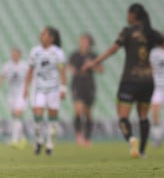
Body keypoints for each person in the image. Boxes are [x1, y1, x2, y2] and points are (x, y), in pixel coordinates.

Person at [82, 3, 164, 158]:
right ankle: (142, 151)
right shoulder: (152, 33)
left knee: (123, 117)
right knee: (143, 116)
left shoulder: (127, 32)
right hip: (148, 81)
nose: (126, 16)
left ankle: (131, 140)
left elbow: (112, 50)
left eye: (128, 13)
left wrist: (93, 63)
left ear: (133, 16)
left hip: (130, 79)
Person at [23, 26, 66, 156]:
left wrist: (64, 88)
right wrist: (26, 87)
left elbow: (62, 71)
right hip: (39, 89)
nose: (41, 36)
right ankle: (39, 139)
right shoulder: (35, 51)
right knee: (37, 115)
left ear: (51, 38)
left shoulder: (57, 53)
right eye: (41, 34)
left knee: (53, 118)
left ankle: (50, 144)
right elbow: (30, 70)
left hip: (53, 89)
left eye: (44, 34)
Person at [67, 33, 103, 147]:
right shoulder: (75, 55)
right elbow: (68, 66)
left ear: (89, 43)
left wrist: (92, 65)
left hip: (89, 85)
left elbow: (101, 69)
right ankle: (78, 135)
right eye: (81, 40)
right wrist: (72, 70)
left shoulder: (93, 56)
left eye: (85, 41)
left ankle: (87, 138)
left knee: (88, 113)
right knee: (78, 109)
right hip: (77, 84)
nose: (82, 43)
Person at [0, 48, 29, 149]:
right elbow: (2, 77)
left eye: (16, 54)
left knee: (17, 114)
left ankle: (14, 139)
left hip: (21, 94)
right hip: (11, 94)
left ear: (19, 55)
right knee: (15, 116)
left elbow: (30, 77)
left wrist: (27, 89)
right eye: (13, 54)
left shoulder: (24, 66)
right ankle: (22, 137)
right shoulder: (7, 65)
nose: (14, 55)